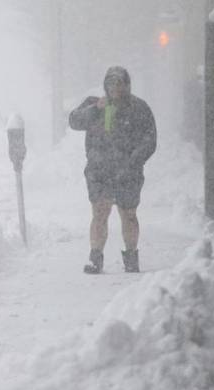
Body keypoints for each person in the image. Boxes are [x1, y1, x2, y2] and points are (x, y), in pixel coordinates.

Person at [69, 66, 157, 274]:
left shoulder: (139, 108)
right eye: (110, 83)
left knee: (128, 214)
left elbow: (150, 140)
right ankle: (95, 258)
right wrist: (96, 109)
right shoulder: (94, 104)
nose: (114, 87)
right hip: (99, 171)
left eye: (119, 83)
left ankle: (131, 256)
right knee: (100, 212)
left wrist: (133, 161)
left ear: (127, 85)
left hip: (128, 172)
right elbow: (74, 121)